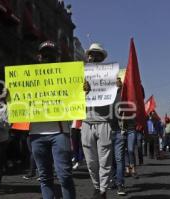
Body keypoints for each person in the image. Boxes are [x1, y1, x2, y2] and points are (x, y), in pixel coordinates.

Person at [29, 41, 88, 199]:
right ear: (39, 57)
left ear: (57, 58)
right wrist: (10, 94)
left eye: (51, 55)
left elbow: (76, 100)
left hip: (59, 133)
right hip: (36, 134)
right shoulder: (28, 77)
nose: (47, 57)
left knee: (65, 175)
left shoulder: (66, 77)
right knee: (45, 177)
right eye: (45, 54)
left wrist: (83, 91)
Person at [81, 43, 114, 199]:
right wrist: (81, 91)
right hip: (87, 123)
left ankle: (102, 190)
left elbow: (116, 102)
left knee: (104, 160)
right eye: (91, 54)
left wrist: (118, 89)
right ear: (88, 56)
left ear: (102, 58)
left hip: (103, 122)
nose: (93, 56)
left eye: (97, 54)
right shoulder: (80, 77)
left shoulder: (111, 76)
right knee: (91, 161)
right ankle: (96, 185)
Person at [108, 77, 127, 196]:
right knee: (111, 159)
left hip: (119, 131)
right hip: (107, 131)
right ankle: (114, 181)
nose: (116, 82)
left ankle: (120, 184)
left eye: (118, 80)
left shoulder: (124, 96)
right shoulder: (106, 94)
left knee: (119, 159)